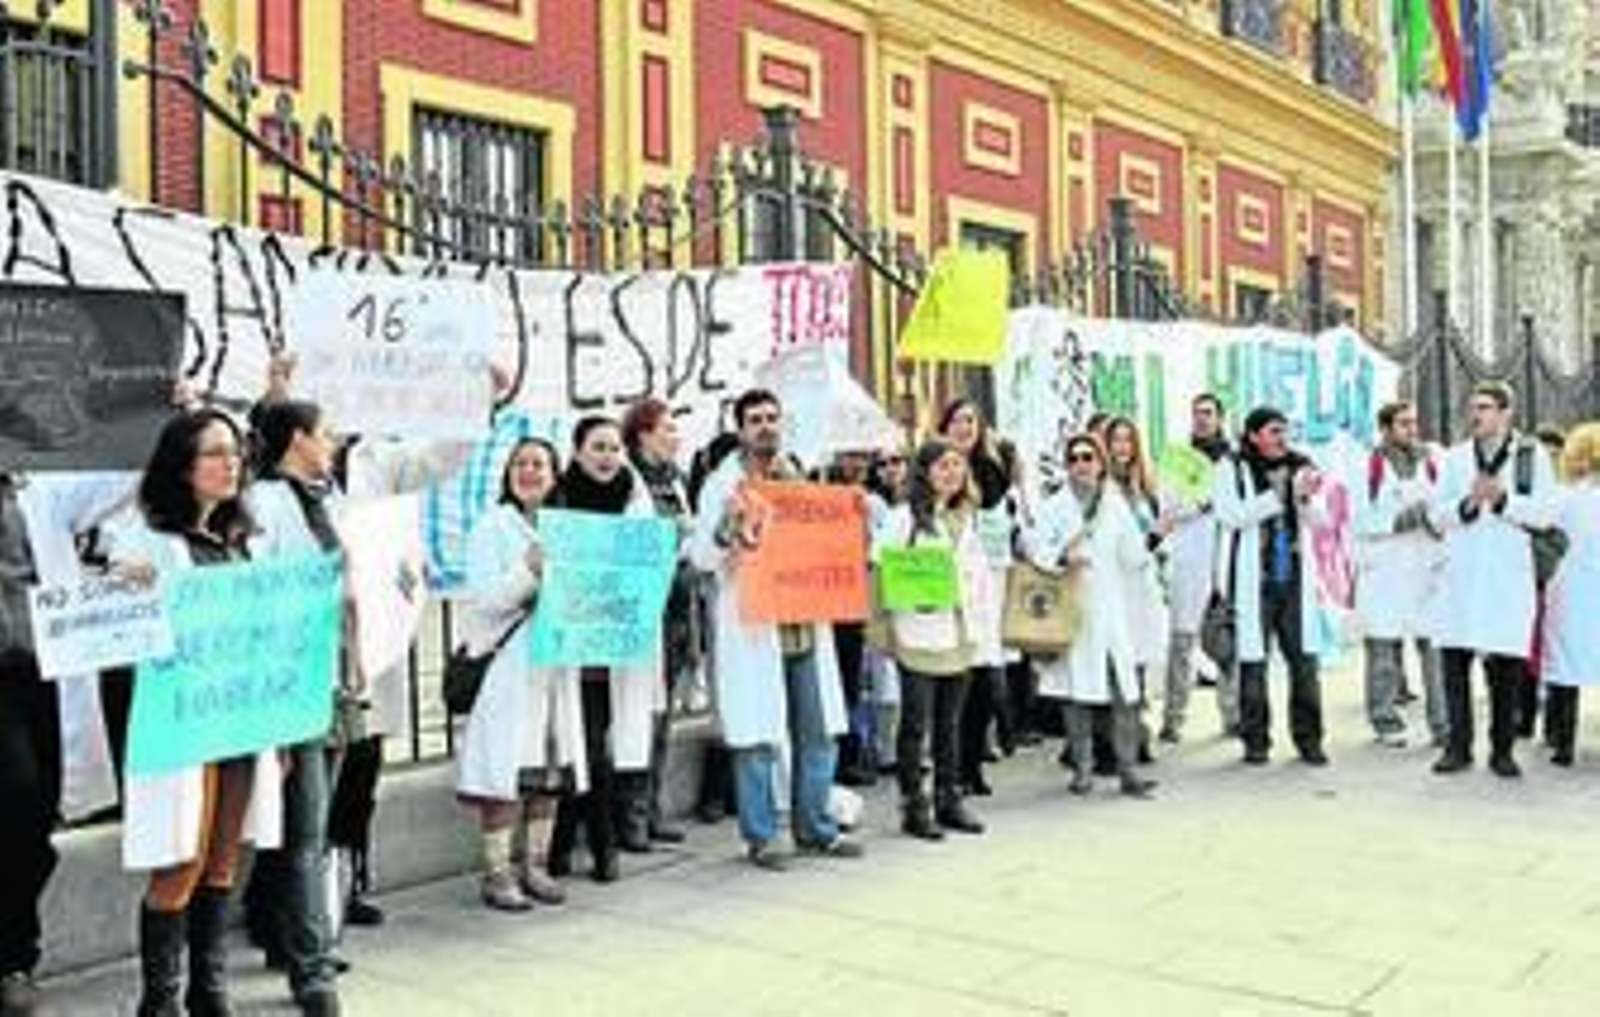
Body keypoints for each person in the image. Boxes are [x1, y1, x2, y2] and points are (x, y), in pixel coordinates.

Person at [107, 410, 285, 1016]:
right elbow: (117, 628)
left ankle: (209, 991)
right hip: (181, 726)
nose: (230, 463)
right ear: (182, 466)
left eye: (235, 452)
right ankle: (160, 1002)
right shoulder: (147, 539)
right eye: (214, 453)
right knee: (179, 861)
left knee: (222, 861)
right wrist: (128, 590)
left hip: (238, 721)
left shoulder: (243, 544)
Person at [688, 389, 862, 869]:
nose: (766, 426)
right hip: (754, 626)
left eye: (772, 418)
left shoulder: (798, 477)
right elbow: (701, 557)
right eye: (755, 420)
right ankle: (762, 837)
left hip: (803, 624)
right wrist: (727, 527)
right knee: (757, 735)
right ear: (741, 429)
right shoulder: (722, 487)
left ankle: (816, 828)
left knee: (818, 731)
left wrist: (849, 521)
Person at [1, 471, 130, 1016]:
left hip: (41, 671)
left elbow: (118, 479)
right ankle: (11, 959)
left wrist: (148, 419)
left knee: (38, 814)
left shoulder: (40, 489)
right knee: (19, 789)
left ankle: (13, 954)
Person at [243, 399, 353, 1016]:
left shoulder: (328, 500)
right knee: (303, 831)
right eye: (325, 433)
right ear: (297, 439)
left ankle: (287, 939)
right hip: (288, 686)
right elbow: (262, 597)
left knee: (304, 826)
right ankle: (312, 970)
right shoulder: (265, 503)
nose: (333, 442)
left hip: (328, 680)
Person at [455, 438, 584, 910]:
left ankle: (536, 865)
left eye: (539, 464)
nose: (529, 471)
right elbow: (486, 600)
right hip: (507, 666)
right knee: (504, 771)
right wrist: (528, 571)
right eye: (520, 464)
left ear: (554, 474)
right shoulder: (491, 527)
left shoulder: (565, 526)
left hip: (555, 665)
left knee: (547, 770)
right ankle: (497, 873)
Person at [549, 416, 658, 878]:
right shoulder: (558, 499)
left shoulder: (634, 501)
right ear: (577, 452)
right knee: (581, 746)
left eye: (614, 448)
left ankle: (576, 846)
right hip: (568, 647)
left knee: (596, 744)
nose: (608, 457)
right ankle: (596, 845)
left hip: (614, 648)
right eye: (598, 447)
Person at [1429, 382, 1556, 778]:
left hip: (1506, 578)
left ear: (1506, 412)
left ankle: (1502, 750)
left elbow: (1545, 515)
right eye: (1473, 407)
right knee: (1454, 664)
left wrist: (1503, 500)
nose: (1476, 414)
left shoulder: (1531, 457)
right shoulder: (1454, 458)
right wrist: (1467, 503)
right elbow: (1436, 515)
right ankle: (1457, 747)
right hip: (1462, 576)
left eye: (1484, 407)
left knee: (1505, 671)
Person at [1024, 434, 1156, 798]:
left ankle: (1128, 771)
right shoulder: (1054, 506)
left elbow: (1133, 556)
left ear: (1100, 463)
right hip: (1073, 608)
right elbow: (1034, 547)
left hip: (1112, 610)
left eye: (1088, 457)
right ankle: (1082, 770)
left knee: (1124, 693)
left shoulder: (1115, 504)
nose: (1081, 464)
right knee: (1076, 694)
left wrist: (1156, 536)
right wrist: (1062, 557)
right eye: (1074, 458)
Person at [873, 438, 990, 838]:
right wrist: (881, 627)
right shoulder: (902, 517)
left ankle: (949, 799)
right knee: (915, 723)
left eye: (958, 465)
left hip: (960, 632)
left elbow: (978, 576)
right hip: (917, 633)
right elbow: (879, 570)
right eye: (943, 465)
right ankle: (914, 805)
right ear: (924, 472)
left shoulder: (966, 516)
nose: (952, 473)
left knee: (949, 724)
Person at [1213, 407, 1328, 767]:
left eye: (1284, 431)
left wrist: (1304, 499)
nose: (1282, 438)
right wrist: (1278, 498)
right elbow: (1229, 514)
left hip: (1293, 578)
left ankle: (1309, 740)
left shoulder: (1301, 466)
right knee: (1253, 663)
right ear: (1253, 435)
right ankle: (1256, 740)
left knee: (1304, 663)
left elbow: (1321, 521)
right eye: (1274, 431)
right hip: (1255, 580)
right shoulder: (1233, 467)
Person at [619, 399, 692, 848]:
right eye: (667, 429)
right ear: (643, 434)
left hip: (676, 609)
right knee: (636, 714)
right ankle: (630, 814)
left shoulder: (676, 480)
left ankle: (652, 807)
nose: (674, 437)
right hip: (643, 611)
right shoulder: (628, 480)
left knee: (662, 716)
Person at [1355, 401, 1447, 749]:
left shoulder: (1433, 460)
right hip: (1385, 572)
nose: (1412, 429)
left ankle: (1443, 725)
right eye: (1403, 423)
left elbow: (1446, 504)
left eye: (1414, 422)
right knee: (1383, 651)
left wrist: (1434, 520)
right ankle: (1385, 721)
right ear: (1385, 428)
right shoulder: (1369, 464)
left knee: (1435, 650)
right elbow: (1357, 518)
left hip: (1426, 569)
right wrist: (1401, 519)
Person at [937, 398, 1016, 796]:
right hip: (950, 587)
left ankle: (972, 765)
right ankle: (952, 771)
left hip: (989, 583)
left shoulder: (991, 469)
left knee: (985, 681)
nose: (965, 427)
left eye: (971, 420)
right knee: (957, 686)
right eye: (957, 420)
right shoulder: (936, 468)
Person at [1160, 393, 1233, 742]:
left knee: (1227, 641)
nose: (1202, 419)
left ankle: (1232, 716)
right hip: (1189, 559)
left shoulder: (1234, 460)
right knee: (1182, 640)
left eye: (1208, 413)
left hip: (1226, 559)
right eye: (1196, 413)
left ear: (1220, 418)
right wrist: (1202, 505)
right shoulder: (1178, 458)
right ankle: (1173, 718)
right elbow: (1169, 508)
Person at [1104, 416, 1168, 760]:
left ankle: (1138, 734)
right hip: (1115, 587)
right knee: (1116, 666)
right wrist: (1154, 537)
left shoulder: (1144, 488)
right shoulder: (1102, 488)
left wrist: (1160, 537)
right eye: (1116, 440)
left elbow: (1154, 536)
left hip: (1144, 587)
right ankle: (1115, 742)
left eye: (1128, 440)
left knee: (1140, 664)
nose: (1122, 447)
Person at [819, 447, 878, 787]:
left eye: (863, 457)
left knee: (852, 685)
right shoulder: (819, 492)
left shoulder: (869, 501)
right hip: (826, 604)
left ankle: (849, 757)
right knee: (834, 685)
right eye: (851, 456)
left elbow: (872, 552)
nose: (858, 464)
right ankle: (834, 762)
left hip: (854, 604)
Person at [1542, 423, 1600, 766]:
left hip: (1571, 589)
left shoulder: (1565, 497)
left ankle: (1562, 743)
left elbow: (1542, 528)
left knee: (1564, 665)